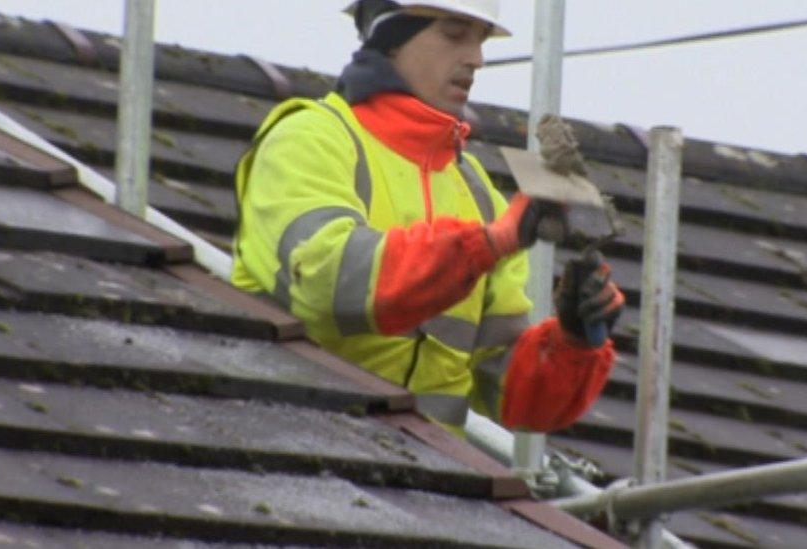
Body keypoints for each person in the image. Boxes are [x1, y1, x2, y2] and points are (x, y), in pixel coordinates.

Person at [231, 0, 625, 436]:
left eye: (480, 40)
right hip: (290, 449)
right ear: (389, 36)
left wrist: (572, 339)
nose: (476, 58)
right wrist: (489, 244)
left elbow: (511, 394)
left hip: (419, 486)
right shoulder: (308, 141)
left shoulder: (478, 196)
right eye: (455, 34)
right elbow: (327, 281)